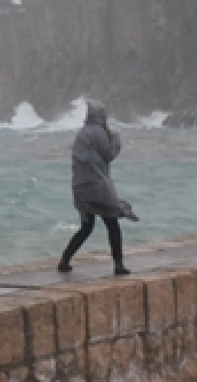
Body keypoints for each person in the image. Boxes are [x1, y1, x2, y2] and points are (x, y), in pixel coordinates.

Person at [58, 99, 138, 275]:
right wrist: (115, 137)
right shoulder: (99, 133)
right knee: (112, 223)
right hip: (98, 186)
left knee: (86, 227)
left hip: (80, 187)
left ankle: (65, 259)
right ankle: (118, 264)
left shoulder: (81, 134)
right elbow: (109, 154)